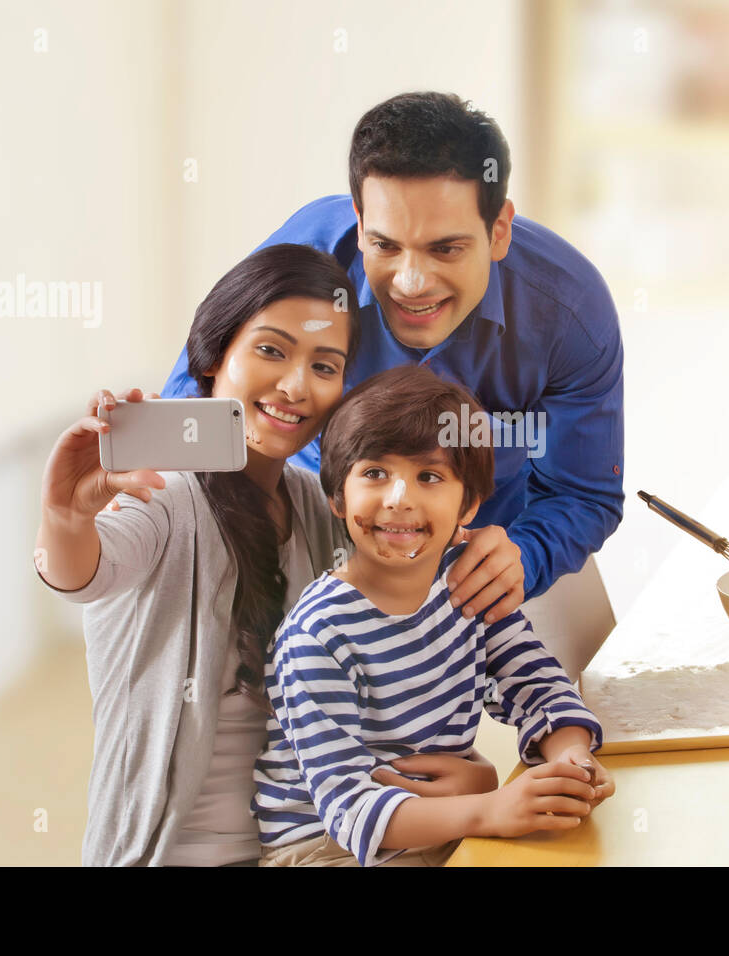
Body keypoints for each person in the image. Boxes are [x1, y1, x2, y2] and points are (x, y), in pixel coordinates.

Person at [35, 245, 520, 866]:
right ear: (213, 358)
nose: (295, 385)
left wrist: (474, 773)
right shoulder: (162, 495)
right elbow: (84, 574)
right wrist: (65, 516)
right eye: (270, 351)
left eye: (325, 365)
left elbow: (390, 680)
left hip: (312, 843)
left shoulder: (325, 511)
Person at [161, 92, 625, 632]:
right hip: (314, 532)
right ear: (359, 223)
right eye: (385, 246)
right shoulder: (310, 257)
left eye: (445, 250)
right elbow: (200, 394)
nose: (410, 284)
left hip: (481, 556)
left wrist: (525, 554)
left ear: (499, 230)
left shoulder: (570, 311)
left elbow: (583, 492)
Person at [255, 365, 614, 868]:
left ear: (468, 504)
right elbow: (350, 810)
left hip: (443, 822)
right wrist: (490, 809)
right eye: (375, 473)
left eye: (428, 476)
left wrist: (571, 758)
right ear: (337, 497)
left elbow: (535, 684)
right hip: (327, 848)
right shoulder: (318, 635)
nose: (400, 499)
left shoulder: (465, 585)